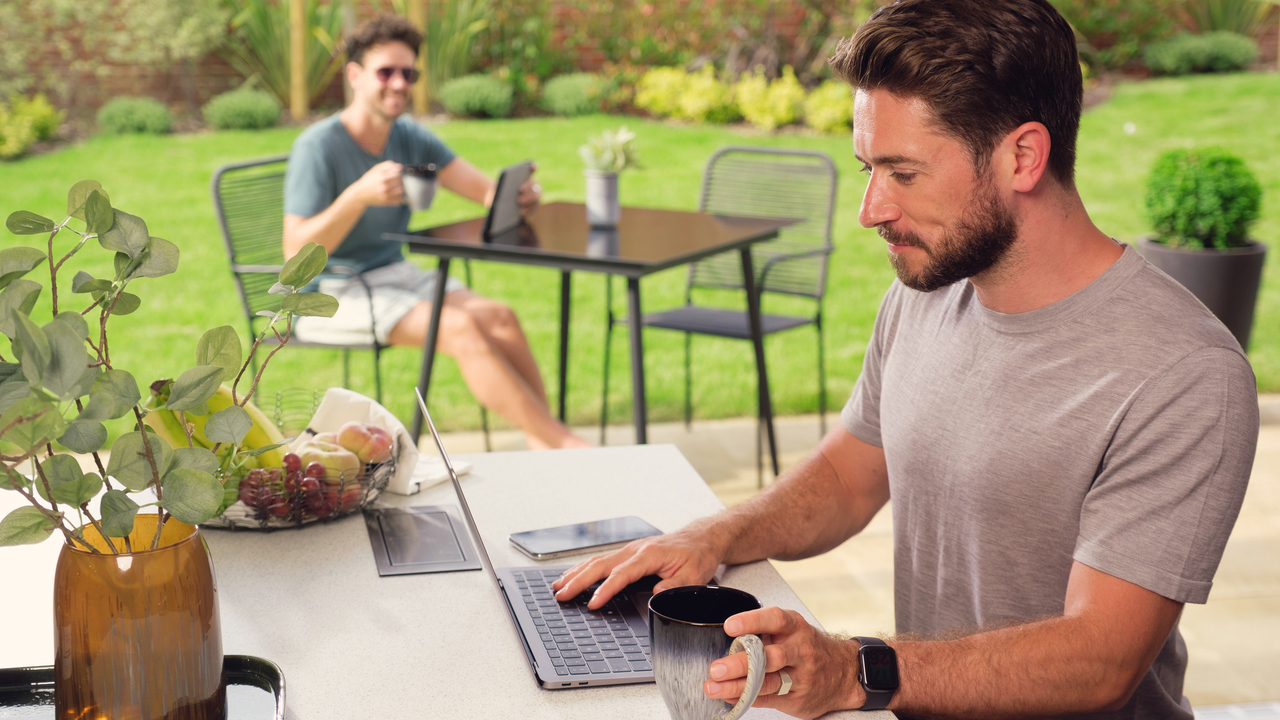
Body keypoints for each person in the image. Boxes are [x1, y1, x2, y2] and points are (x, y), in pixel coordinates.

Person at [551, 0, 1258, 717]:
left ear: (1022, 156)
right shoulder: (930, 289)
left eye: (903, 173)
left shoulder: (1182, 372)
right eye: (867, 167)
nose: (870, 209)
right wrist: (711, 536)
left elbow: (1099, 656)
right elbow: (848, 476)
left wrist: (855, 670)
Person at [283, 14, 588, 450]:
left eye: (409, 73)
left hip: (395, 274)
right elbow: (295, 253)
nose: (399, 83)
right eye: (385, 72)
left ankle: (544, 443)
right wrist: (357, 197)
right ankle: (566, 446)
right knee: (460, 327)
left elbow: (484, 192)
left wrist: (516, 197)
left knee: (499, 317)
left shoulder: (408, 136)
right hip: (332, 291)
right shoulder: (318, 147)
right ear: (354, 75)